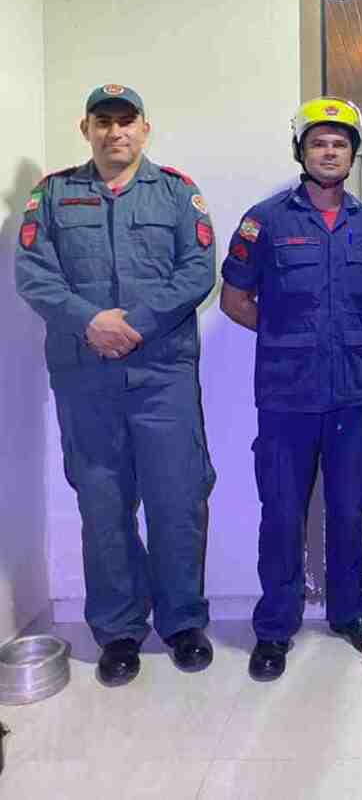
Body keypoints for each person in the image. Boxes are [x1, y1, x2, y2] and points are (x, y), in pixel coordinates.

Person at [16, 84, 217, 687]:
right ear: (86, 130)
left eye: (126, 121)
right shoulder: (53, 195)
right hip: (86, 377)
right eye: (103, 122)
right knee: (102, 503)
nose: (115, 132)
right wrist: (90, 322)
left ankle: (183, 622)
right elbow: (34, 275)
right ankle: (120, 630)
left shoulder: (177, 193)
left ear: (144, 129)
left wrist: (135, 325)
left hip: (163, 375)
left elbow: (197, 271)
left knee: (178, 499)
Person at [220, 97, 362, 681]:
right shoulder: (265, 221)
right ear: (300, 151)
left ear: (353, 154)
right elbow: (234, 299)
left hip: (350, 395)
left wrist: (348, 331)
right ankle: (275, 626)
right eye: (318, 142)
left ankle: (349, 614)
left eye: (340, 143)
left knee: (349, 510)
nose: (329, 151)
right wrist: (286, 335)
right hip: (285, 397)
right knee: (281, 515)